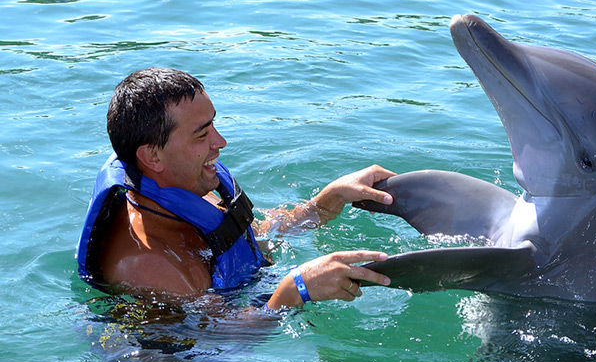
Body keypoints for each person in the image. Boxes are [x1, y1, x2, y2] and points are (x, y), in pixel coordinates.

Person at [77, 67, 394, 309]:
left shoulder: (192, 192)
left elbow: (261, 235)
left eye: (213, 124)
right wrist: (298, 288)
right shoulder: (149, 265)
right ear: (152, 156)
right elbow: (224, 340)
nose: (220, 142)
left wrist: (329, 199)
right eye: (202, 135)